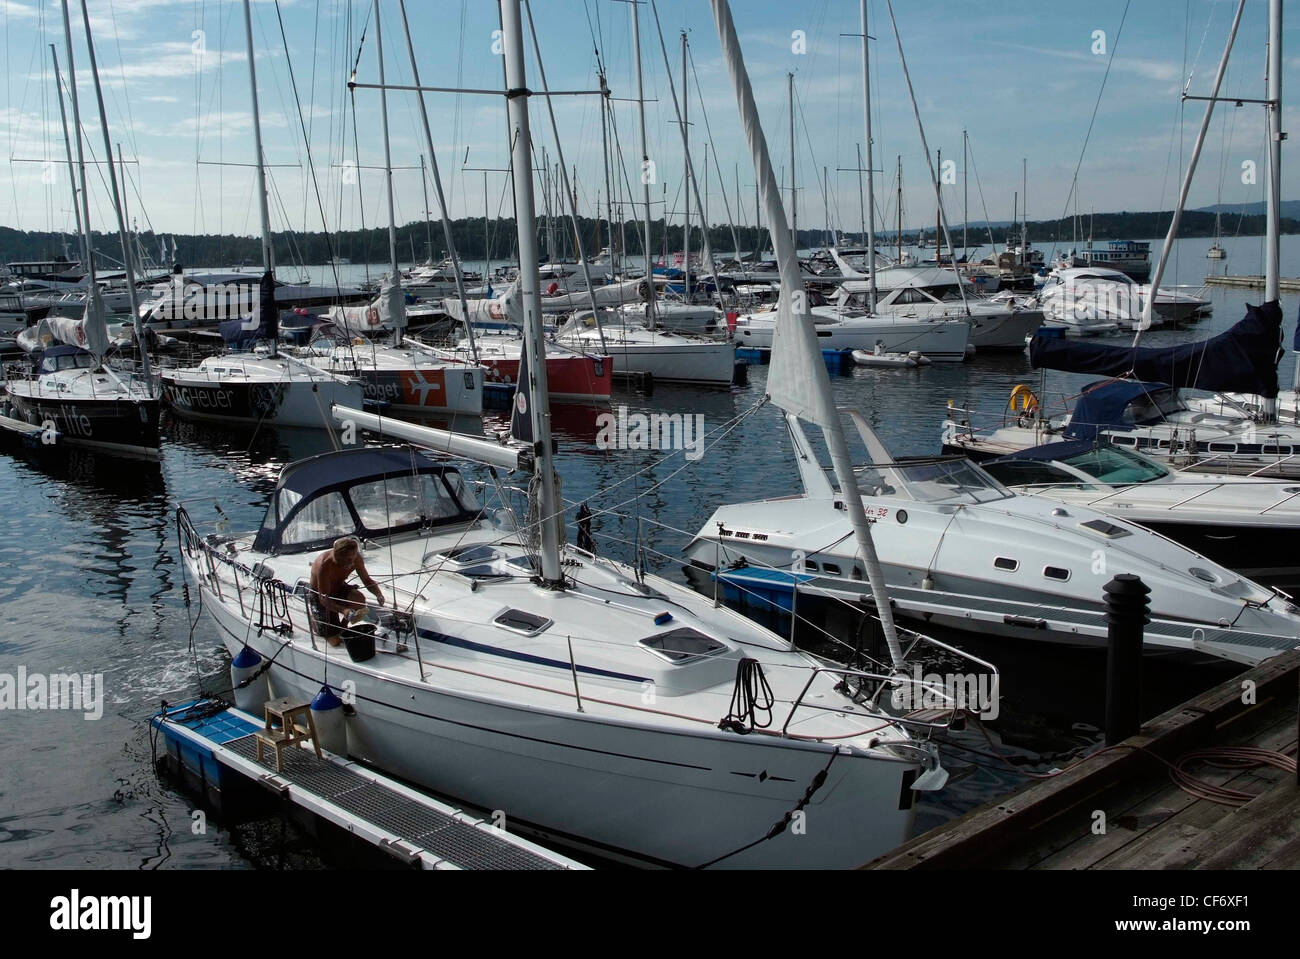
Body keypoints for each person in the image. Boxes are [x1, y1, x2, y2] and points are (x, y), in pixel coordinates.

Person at [309, 536, 384, 646]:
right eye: (349, 559)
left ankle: (343, 626)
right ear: (339, 556)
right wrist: (343, 610)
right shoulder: (324, 565)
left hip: (339, 587)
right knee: (335, 642)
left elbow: (367, 580)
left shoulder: (355, 558)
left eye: (353, 557)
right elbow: (323, 599)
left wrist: (378, 594)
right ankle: (315, 622)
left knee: (360, 600)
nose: (352, 561)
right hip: (322, 596)